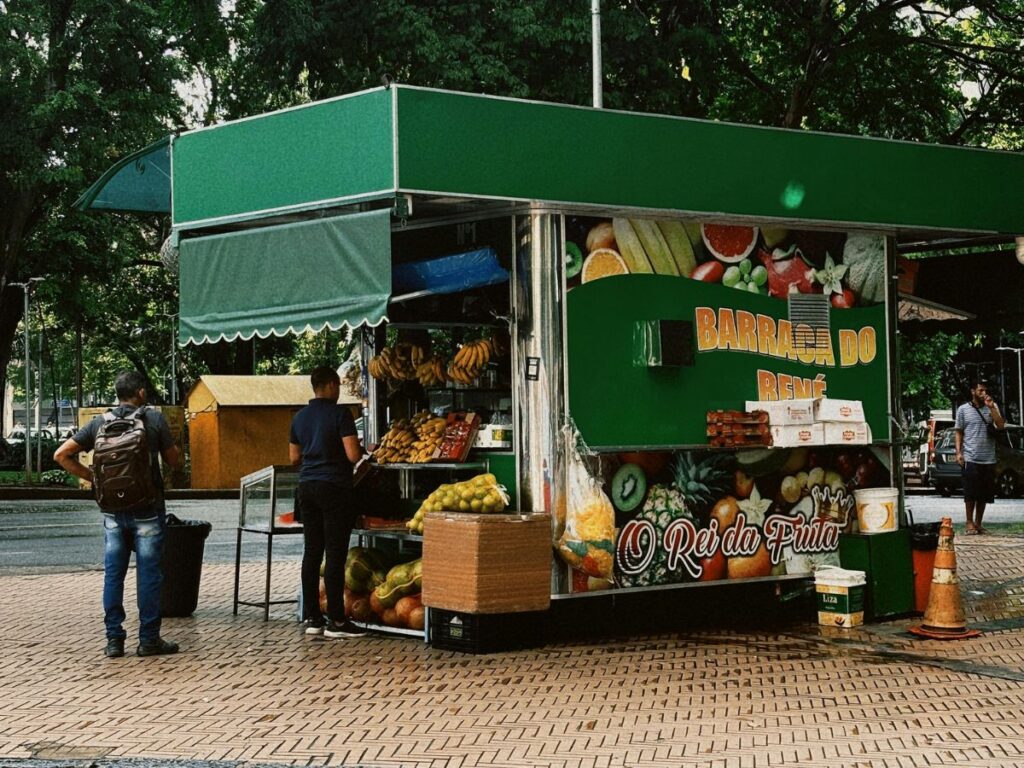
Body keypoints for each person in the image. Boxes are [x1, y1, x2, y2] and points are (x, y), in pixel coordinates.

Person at [54, 370, 180, 658]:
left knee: (114, 575)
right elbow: (174, 463)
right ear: (141, 394)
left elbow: (61, 455)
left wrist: (94, 479)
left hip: (112, 512)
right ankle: (149, 640)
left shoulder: (100, 423)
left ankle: (114, 640)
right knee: (149, 576)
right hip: (148, 509)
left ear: (117, 394)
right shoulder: (154, 420)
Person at [289, 366, 367, 639]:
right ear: (332, 385)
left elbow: (293, 458)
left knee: (312, 552)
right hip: (335, 487)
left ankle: (313, 617)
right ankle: (337, 620)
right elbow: (353, 455)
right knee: (335, 554)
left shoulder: (299, 417)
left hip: (307, 488)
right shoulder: (340, 414)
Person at [954, 380, 1005, 535]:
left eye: (985, 390)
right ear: (973, 391)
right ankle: (969, 522)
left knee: (984, 493)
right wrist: (958, 452)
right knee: (970, 492)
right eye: (980, 390)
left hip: (988, 457)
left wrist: (991, 408)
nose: (983, 393)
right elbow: (958, 431)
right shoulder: (963, 410)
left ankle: (978, 523)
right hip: (971, 457)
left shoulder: (991, 407)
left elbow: (1000, 425)